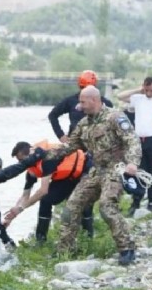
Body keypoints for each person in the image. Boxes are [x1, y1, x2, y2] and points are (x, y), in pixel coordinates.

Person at [48, 85, 141, 266]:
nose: (80, 106)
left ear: (94, 100)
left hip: (116, 168)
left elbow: (132, 140)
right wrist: (43, 155)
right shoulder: (84, 124)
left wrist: (133, 163)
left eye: (82, 102)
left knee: (107, 206)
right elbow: (70, 147)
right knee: (72, 207)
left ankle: (127, 248)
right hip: (96, 171)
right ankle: (64, 250)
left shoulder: (115, 117)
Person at [3, 140, 94, 244]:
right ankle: (40, 241)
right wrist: (12, 215)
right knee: (46, 201)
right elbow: (25, 195)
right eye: (20, 161)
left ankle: (88, 238)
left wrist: (21, 209)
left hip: (84, 169)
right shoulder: (31, 168)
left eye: (22, 160)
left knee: (84, 204)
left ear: (31, 153)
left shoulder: (48, 158)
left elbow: (43, 190)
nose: (21, 164)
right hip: (65, 177)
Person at [116, 77, 152, 216]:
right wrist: (139, 89)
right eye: (146, 90)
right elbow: (120, 96)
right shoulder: (138, 98)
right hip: (139, 140)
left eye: (151, 90)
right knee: (137, 170)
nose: (149, 93)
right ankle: (136, 201)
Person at [48, 70, 113, 143]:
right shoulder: (70, 101)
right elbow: (52, 115)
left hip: (98, 142)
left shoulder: (106, 103)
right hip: (76, 142)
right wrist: (61, 136)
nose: (82, 106)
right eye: (81, 102)